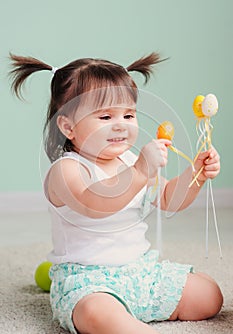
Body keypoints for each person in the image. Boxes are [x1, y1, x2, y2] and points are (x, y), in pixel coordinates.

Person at [9, 52, 223, 334]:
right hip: (90, 282)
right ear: (68, 127)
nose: (120, 124)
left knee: (209, 295)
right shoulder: (67, 170)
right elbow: (94, 202)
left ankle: (134, 312)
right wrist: (139, 172)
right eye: (106, 116)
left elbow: (170, 199)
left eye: (129, 114)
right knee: (96, 312)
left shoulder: (132, 161)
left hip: (140, 273)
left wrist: (196, 176)